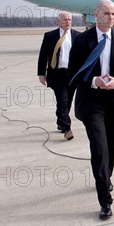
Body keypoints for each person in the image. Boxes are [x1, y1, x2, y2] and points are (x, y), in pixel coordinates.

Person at [68, 0, 114, 220]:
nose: (111, 17)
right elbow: (74, 74)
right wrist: (94, 81)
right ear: (96, 15)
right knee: (99, 149)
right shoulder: (82, 40)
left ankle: (105, 177)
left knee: (112, 146)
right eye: (106, 13)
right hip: (92, 102)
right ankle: (105, 202)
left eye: (113, 13)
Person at [37, 11, 80, 140]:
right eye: (65, 20)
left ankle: (60, 122)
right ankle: (67, 128)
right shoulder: (50, 36)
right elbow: (43, 56)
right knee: (62, 100)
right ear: (59, 21)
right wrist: (41, 74)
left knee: (68, 101)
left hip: (72, 74)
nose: (68, 22)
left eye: (70, 20)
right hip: (57, 74)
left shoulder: (78, 36)